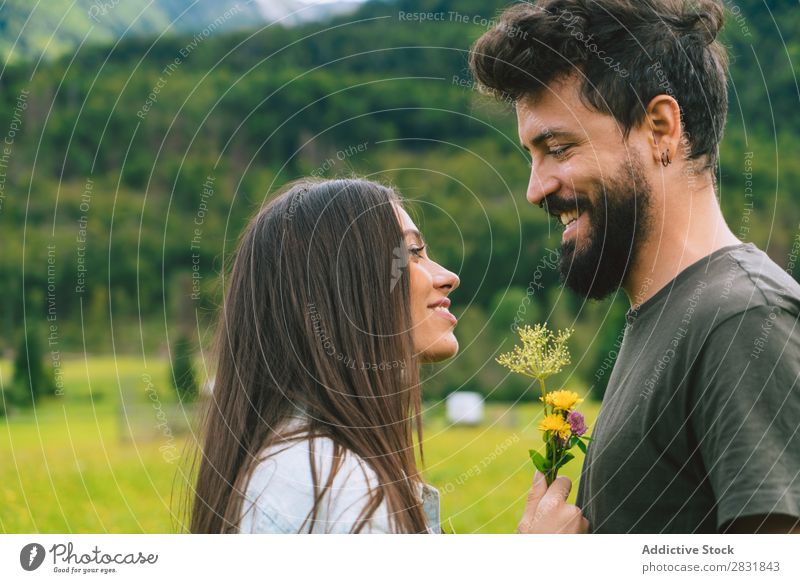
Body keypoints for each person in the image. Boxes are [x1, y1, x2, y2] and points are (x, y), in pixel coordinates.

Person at [470, 0, 800, 533]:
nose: (535, 190)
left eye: (557, 148)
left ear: (661, 129)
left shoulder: (744, 319)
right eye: (531, 157)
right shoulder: (672, 314)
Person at [189, 178, 585, 534]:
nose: (447, 275)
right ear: (342, 289)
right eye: (412, 253)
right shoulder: (345, 491)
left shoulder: (290, 465)